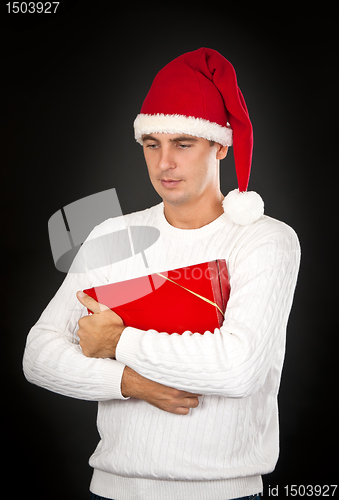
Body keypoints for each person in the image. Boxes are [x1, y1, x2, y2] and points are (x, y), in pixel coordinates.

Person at [23, 48, 300, 500]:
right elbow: (37, 355)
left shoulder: (266, 240)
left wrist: (117, 343)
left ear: (220, 145)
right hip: (112, 489)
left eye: (183, 144)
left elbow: (237, 367)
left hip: (223, 493)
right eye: (152, 144)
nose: (164, 162)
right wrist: (130, 383)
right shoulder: (113, 232)